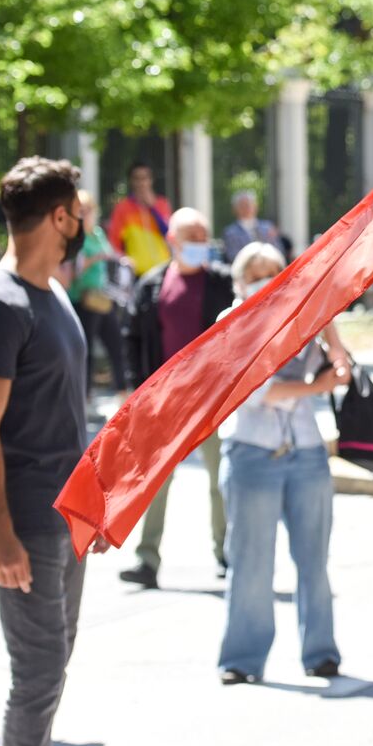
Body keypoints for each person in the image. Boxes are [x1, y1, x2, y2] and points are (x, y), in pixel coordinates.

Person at [0, 157, 111, 746]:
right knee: (39, 674)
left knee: (53, 667)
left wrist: (91, 502)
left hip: (65, 514)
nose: (83, 225)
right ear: (59, 216)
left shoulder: (56, 295)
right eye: (79, 214)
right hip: (23, 520)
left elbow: (67, 415)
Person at [216, 243, 349, 685]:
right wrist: (317, 389)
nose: (264, 278)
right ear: (239, 281)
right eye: (254, 272)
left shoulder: (305, 319)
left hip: (305, 451)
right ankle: (242, 659)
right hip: (252, 452)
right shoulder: (231, 323)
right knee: (250, 562)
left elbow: (339, 365)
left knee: (314, 559)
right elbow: (255, 393)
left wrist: (331, 335)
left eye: (273, 271)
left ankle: (321, 653)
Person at [119, 207, 233, 588]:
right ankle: (147, 560)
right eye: (193, 238)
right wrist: (137, 390)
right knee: (155, 482)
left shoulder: (222, 283)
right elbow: (132, 339)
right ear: (172, 241)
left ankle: (227, 553)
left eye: (204, 237)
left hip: (212, 401)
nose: (200, 245)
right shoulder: (151, 286)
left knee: (221, 479)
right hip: (163, 404)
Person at [66, 190, 129, 397]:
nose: (85, 215)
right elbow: (74, 271)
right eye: (80, 211)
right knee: (86, 351)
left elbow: (111, 255)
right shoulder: (75, 237)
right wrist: (96, 259)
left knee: (116, 345)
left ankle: (122, 394)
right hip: (83, 301)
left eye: (88, 210)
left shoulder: (99, 234)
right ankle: (85, 397)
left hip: (102, 299)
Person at [108, 161, 173, 276]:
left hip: (162, 269)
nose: (141, 183)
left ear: (151, 180)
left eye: (144, 178)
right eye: (137, 178)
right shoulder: (123, 208)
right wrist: (124, 260)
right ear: (131, 181)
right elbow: (114, 242)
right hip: (136, 273)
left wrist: (152, 208)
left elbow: (168, 233)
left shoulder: (162, 204)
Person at [220, 190, 281, 263]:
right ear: (234, 209)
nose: (246, 208)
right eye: (242, 205)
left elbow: (278, 251)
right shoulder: (229, 232)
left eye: (249, 204)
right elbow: (233, 256)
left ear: (256, 206)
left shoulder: (268, 227)